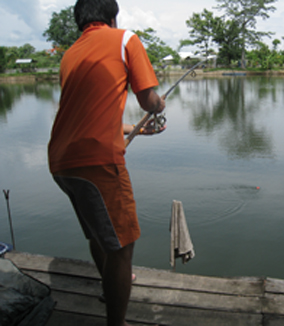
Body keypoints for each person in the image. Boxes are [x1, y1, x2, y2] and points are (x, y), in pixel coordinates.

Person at [47, 0, 165, 325]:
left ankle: (110, 286)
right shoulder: (125, 39)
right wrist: (158, 104)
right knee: (123, 245)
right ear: (112, 17)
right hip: (96, 163)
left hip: (61, 162)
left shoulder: (70, 54)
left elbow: (85, 116)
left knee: (98, 236)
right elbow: (147, 98)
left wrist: (134, 130)